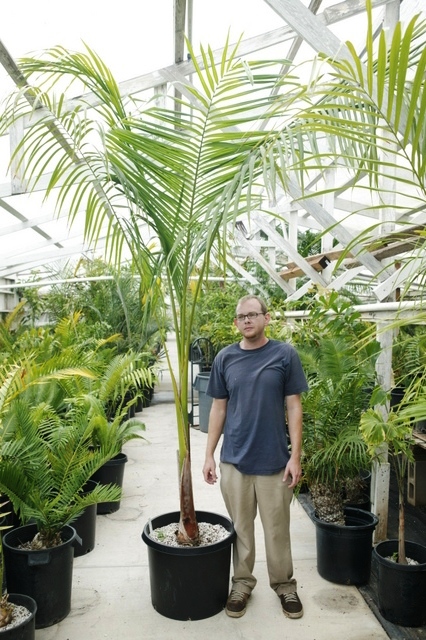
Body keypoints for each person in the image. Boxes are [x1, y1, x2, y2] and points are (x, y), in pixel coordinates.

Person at [202, 294, 308, 619]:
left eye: (252, 314)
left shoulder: (284, 354)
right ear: (236, 323)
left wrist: (296, 456)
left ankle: (285, 586)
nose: (246, 320)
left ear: (266, 317)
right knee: (241, 530)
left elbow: (293, 405)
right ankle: (242, 584)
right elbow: (219, 408)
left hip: (274, 461)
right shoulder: (225, 358)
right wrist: (208, 454)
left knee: (277, 529)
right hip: (234, 461)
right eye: (241, 316)